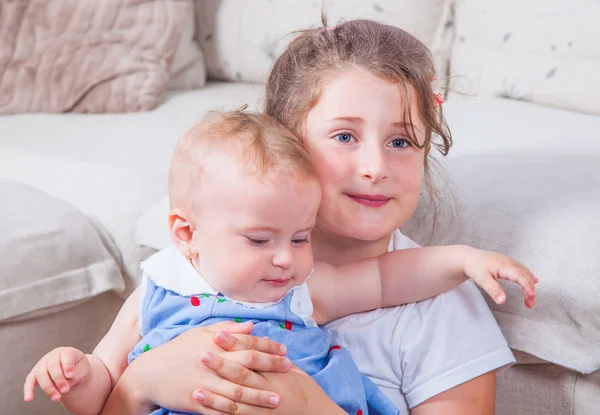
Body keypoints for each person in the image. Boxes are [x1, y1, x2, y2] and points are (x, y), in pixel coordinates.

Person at [26, 18, 531, 415]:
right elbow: (108, 396)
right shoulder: (181, 274)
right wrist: (139, 382)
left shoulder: (430, 307)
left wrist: (310, 407)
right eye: (344, 137)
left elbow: (382, 280)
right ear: (287, 144)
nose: (375, 167)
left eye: (400, 141)